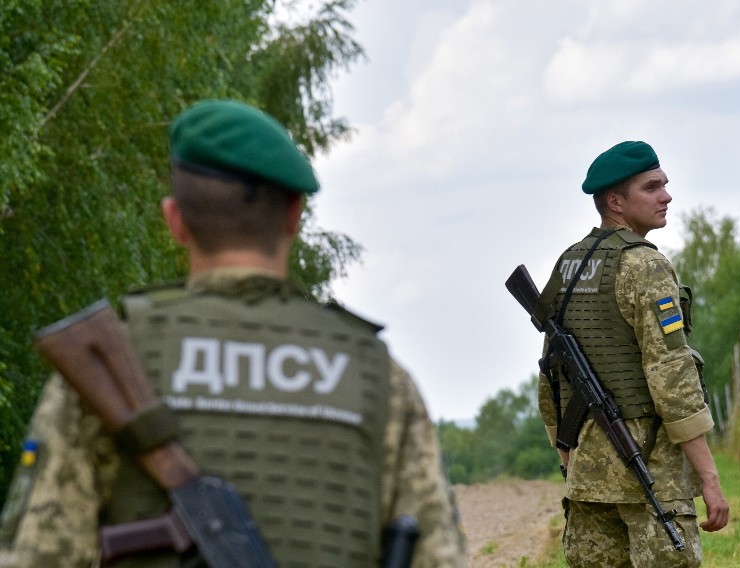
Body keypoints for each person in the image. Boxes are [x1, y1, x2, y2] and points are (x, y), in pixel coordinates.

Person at [0, 99, 467, 567]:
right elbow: (439, 555)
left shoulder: (108, 367)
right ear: (294, 216)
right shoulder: (379, 378)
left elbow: (40, 554)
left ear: (175, 220)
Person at [535, 141, 728, 567]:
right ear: (616, 201)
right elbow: (671, 374)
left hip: (588, 476)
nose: (667, 196)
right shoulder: (645, 265)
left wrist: (568, 455)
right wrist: (709, 478)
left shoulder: (568, 264)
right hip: (650, 469)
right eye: (652, 187)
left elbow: (551, 377)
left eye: (665, 185)